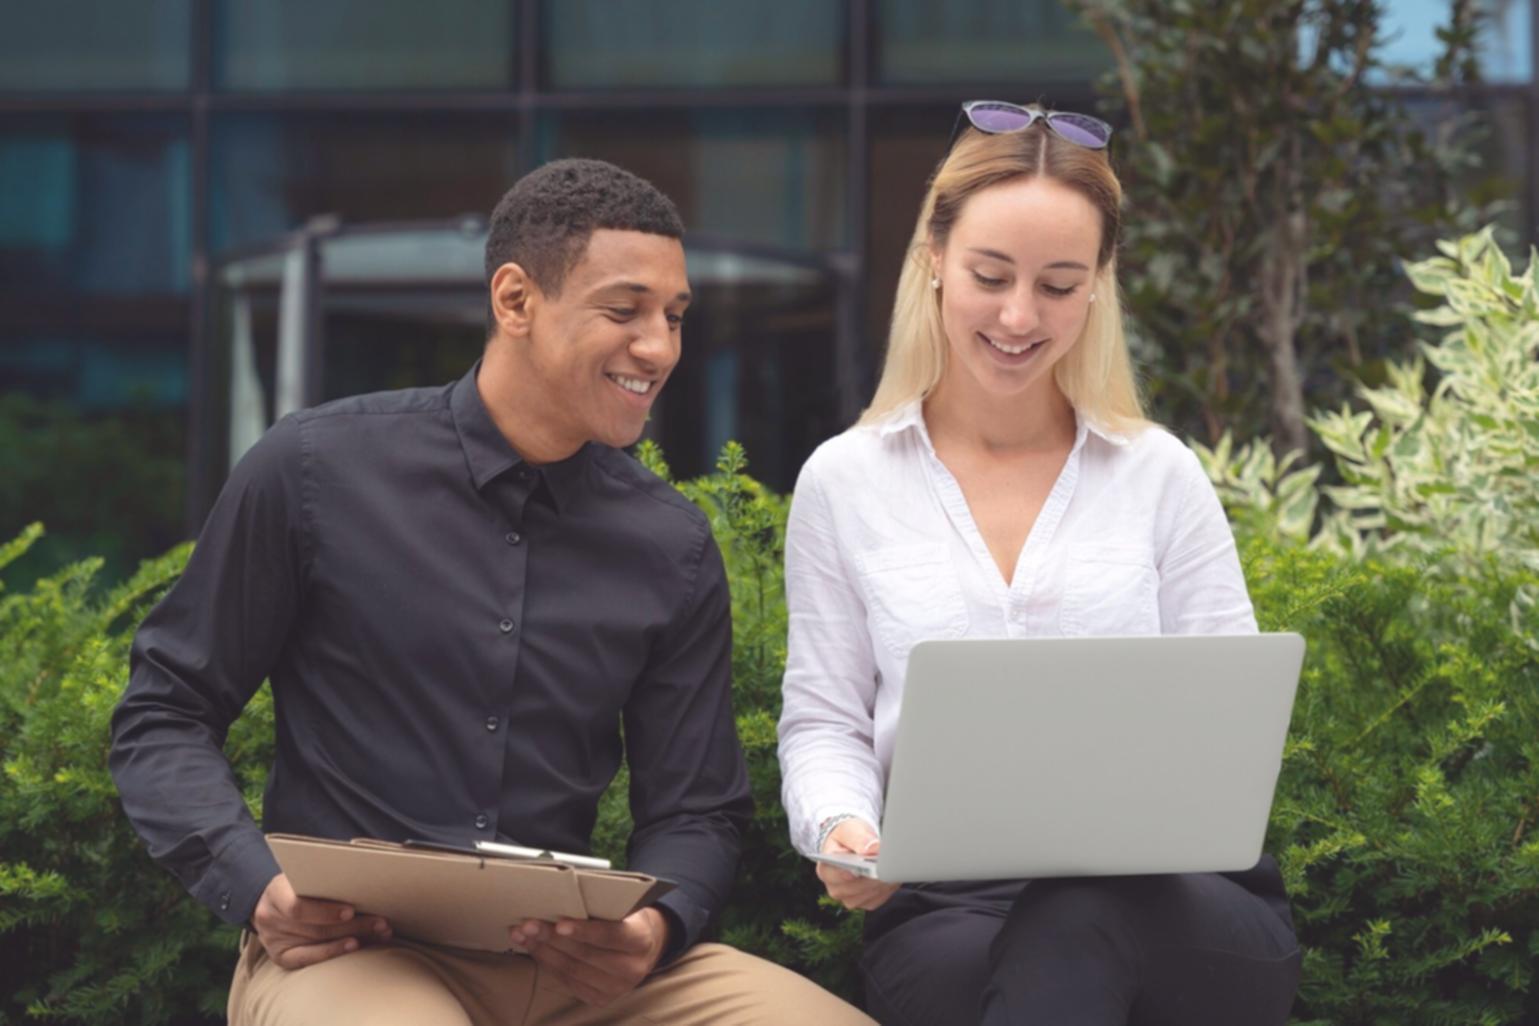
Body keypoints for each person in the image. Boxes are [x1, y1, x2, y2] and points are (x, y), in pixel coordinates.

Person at [111, 158, 873, 1026]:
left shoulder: (671, 544)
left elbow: (697, 810)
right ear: (514, 302)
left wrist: (654, 930)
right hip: (352, 958)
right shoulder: (314, 470)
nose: (658, 347)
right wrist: (256, 886)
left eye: (673, 317)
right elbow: (164, 711)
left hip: (578, 972)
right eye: (623, 311)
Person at [776, 103, 1302, 1025]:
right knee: (1029, 961)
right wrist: (844, 830)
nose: (1019, 317)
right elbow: (824, 721)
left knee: (1077, 915)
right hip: (945, 914)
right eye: (990, 275)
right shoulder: (844, 480)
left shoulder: (1158, 473)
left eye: (1059, 284)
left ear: (1099, 283)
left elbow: (1231, 715)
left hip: (1179, 906)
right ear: (933, 257)